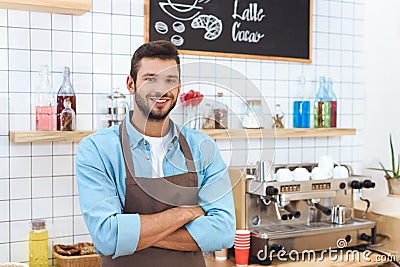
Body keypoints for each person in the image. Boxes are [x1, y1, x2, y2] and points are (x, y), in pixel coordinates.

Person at [76, 40, 236, 267]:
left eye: (170, 80)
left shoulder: (203, 147)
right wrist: (186, 213)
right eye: (150, 79)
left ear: (179, 87)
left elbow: (223, 232)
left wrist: (132, 236)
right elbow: (107, 237)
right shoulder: (97, 150)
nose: (161, 89)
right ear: (131, 84)